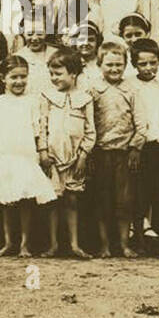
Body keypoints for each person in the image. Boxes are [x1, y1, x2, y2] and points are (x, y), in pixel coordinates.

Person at [0, 54, 56, 256]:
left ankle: (25, 244)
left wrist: (40, 153)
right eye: (13, 77)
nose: (19, 82)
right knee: (8, 201)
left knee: (26, 200)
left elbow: (38, 129)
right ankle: (9, 242)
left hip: (25, 155)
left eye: (23, 77)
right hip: (4, 156)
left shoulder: (33, 101)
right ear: (3, 78)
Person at [38, 48, 96, 257]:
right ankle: (53, 244)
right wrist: (43, 152)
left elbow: (90, 131)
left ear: (73, 74)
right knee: (53, 200)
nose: (54, 78)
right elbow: (42, 126)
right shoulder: (47, 97)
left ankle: (74, 244)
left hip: (74, 158)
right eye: (51, 74)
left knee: (72, 200)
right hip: (53, 158)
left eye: (58, 73)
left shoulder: (85, 99)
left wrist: (83, 156)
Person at [91, 41, 144, 258]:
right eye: (109, 65)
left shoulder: (131, 90)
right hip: (101, 152)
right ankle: (104, 245)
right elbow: (88, 122)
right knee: (102, 201)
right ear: (99, 64)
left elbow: (141, 124)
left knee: (124, 201)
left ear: (125, 65)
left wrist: (135, 148)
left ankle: (124, 244)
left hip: (124, 154)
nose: (114, 69)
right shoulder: (93, 90)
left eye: (119, 65)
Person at [127, 37, 159, 253]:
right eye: (142, 63)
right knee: (138, 195)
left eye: (152, 63)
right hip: (138, 147)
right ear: (134, 64)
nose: (148, 68)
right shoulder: (130, 86)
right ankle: (139, 242)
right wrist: (135, 146)